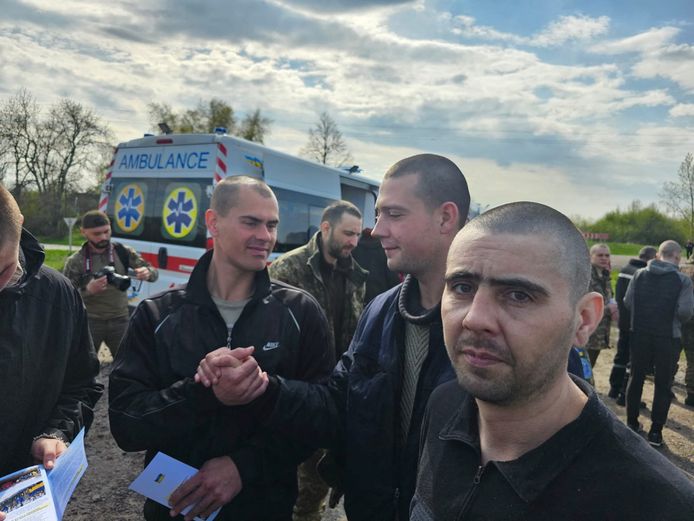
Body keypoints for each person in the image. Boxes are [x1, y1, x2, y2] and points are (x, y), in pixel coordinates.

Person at [196, 154, 471, 521]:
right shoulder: (380, 313)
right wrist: (261, 388)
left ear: (445, 217)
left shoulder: (495, 327)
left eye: (394, 214)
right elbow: (335, 405)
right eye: (377, 215)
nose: (377, 230)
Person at [411, 202, 694, 520]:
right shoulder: (443, 406)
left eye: (518, 295)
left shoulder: (657, 505)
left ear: (584, 320)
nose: (475, 319)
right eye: (462, 287)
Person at [108, 176, 334, 521]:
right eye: (251, 222)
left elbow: (324, 418)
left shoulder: (300, 311)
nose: (266, 236)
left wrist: (266, 395)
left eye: (271, 224)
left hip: (265, 507)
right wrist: (202, 392)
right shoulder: (157, 314)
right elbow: (126, 425)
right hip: (174, 509)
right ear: (213, 222)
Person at [269, 200, 367, 521]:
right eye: (348, 233)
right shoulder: (288, 269)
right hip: (298, 393)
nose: (354, 241)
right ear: (325, 228)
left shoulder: (356, 275)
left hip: (336, 394)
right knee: (286, 485)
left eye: (357, 235)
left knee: (318, 484)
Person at [0, 186, 103, 481]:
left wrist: (56, 432)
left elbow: (81, 384)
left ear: (19, 225)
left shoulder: (57, 295)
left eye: (3, 273)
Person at [624, 240, 694, 446]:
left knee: (636, 377)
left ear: (659, 255)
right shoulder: (682, 281)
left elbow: (628, 302)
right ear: (677, 256)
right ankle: (655, 432)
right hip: (667, 337)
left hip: (640, 333)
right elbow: (685, 312)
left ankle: (631, 423)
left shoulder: (639, 274)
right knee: (663, 384)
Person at [63, 210, 158, 358]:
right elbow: (65, 297)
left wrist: (148, 272)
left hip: (120, 320)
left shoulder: (122, 252)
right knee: (83, 367)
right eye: (96, 234)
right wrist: (88, 290)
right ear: (83, 232)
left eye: (107, 231)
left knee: (127, 365)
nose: (103, 237)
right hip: (90, 322)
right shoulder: (76, 261)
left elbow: (153, 273)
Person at [608, 246, 657, 403]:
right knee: (633, 359)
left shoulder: (625, 268)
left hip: (623, 320)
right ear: (652, 257)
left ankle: (614, 389)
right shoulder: (643, 273)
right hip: (636, 323)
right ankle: (625, 394)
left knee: (621, 355)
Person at [585, 243, 617, 367]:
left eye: (607, 255)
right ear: (591, 256)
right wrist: (609, 309)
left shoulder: (605, 276)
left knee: (590, 366)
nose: (604, 258)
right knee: (582, 370)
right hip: (586, 333)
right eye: (600, 255)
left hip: (599, 332)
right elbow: (585, 305)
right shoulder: (586, 276)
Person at [351, 227, 401, 304]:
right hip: (382, 296)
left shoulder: (354, 250)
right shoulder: (384, 250)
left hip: (360, 295)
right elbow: (391, 276)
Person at [679, 262, 694, 407]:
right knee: (692, 361)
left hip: (677, 321)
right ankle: (691, 394)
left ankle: (667, 387)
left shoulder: (682, 268)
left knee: (671, 358)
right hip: (692, 322)